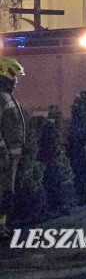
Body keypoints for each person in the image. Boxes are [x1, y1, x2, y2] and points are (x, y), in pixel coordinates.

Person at [0, 57, 25, 241]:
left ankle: (2, 227)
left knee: (6, 194)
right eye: (15, 77)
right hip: (4, 157)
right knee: (3, 193)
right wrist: (3, 152)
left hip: (10, 157)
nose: (16, 81)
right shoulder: (1, 98)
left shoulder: (6, 96)